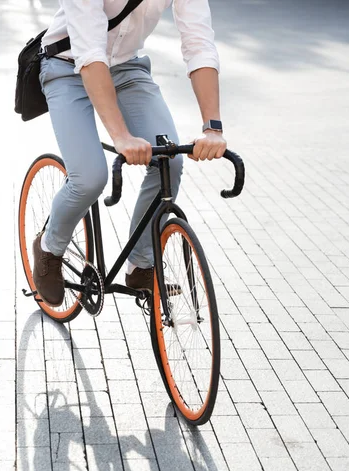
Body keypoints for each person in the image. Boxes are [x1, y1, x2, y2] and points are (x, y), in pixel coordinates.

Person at [32, 0, 226, 307]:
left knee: (169, 160)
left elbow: (198, 42)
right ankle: (49, 246)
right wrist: (121, 136)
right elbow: (90, 53)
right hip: (66, 66)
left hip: (126, 68)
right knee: (90, 178)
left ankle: (141, 264)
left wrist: (212, 127)